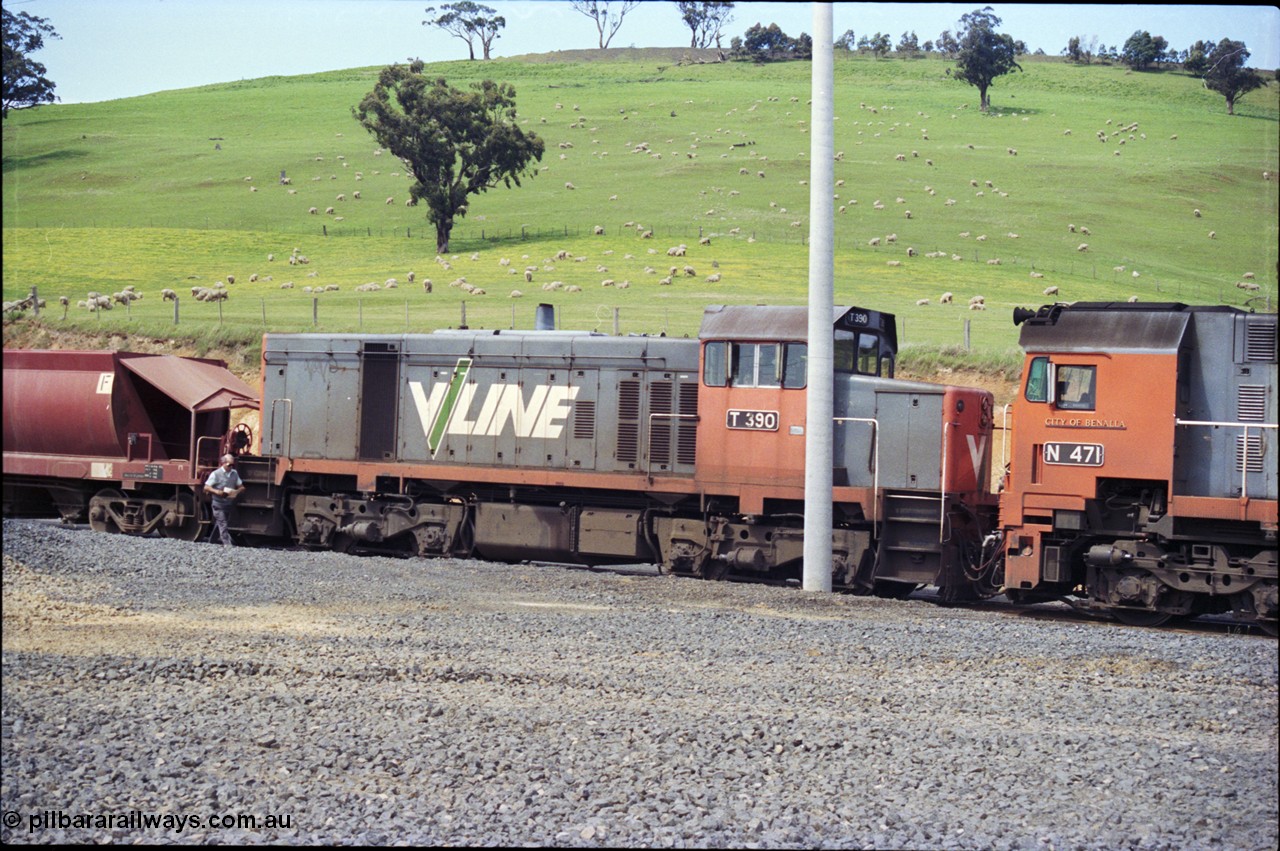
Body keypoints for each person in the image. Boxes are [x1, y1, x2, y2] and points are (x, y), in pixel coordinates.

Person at [204, 454, 245, 546]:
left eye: (232, 465)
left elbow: (242, 487)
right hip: (217, 503)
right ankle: (227, 544)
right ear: (223, 463)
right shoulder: (215, 474)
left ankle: (211, 542)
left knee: (220, 523)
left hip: (228, 503)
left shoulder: (234, 473)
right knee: (223, 523)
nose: (231, 467)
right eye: (229, 465)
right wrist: (217, 492)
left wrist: (236, 491)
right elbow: (206, 487)